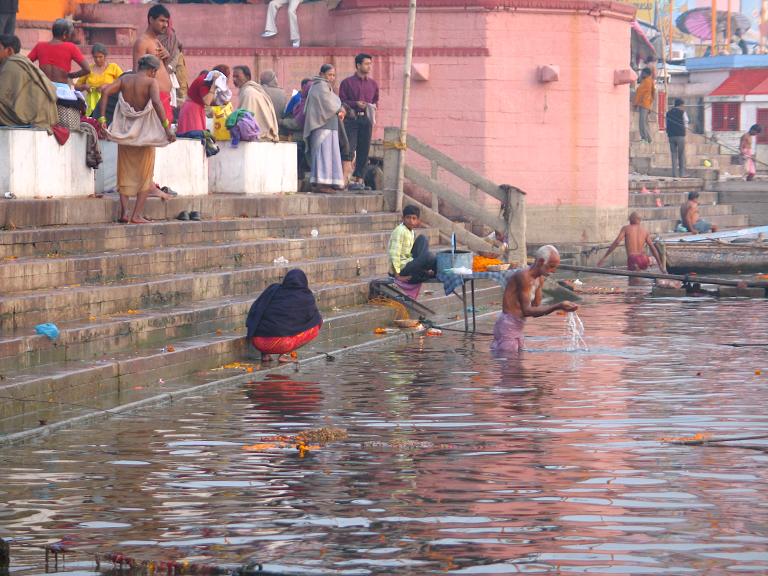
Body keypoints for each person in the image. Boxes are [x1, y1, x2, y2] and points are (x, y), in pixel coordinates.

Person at [98, 55, 175, 224]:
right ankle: (137, 215)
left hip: (125, 134)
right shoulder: (150, 82)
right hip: (145, 135)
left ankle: (125, 213)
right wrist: (167, 128)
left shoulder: (125, 79)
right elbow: (156, 102)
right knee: (145, 175)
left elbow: (104, 91)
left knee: (124, 172)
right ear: (152, 70)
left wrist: (102, 120)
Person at [491, 245, 578, 354]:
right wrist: (558, 305)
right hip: (508, 325)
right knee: (510, 364)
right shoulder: (523, 277)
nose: (554, 271)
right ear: (541, 262)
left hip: (518, 327)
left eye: (555, 267)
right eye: (551, 266)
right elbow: (527, 311)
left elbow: (536, 309)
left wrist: (561, 306)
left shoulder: (539, 278)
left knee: (516, 364)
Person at [246, 269, 323, 363]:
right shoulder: (305, 296)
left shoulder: (273, 289)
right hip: (280, 343)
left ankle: (265, 354)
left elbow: (255, 311)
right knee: (318, 322)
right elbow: (313, 318)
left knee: (275, 323)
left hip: (257, 341)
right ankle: (284, 355)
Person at [0, 34, 58, 131]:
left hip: (32, 118)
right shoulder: (22, 61)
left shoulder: (11, 64)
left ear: (9, 50)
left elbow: (2, 96)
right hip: (43, 117)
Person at [304, 63, 346, 192]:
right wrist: (340, 107)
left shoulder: (326, 87)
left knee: (331, 154)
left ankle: (332, 181)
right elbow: (330, 104)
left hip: (330, 126)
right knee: (323, 154)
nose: (332, 77)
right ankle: (322, 184)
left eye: (333, 75)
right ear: (322, 74)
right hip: (322, 126)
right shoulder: (320, 86)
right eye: (329, 74)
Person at [339, 53, 379, 187]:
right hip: (351, 119)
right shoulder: (347, 83)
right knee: (349, 148)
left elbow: (375, 101)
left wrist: (370, 107)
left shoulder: (373, 84)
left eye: (370, 64)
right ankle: (346, 177)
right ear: (358, 65)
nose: (369, 67)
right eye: (366, 64)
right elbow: (342, 101)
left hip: (366, 119)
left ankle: (359, 178)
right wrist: (356, 103)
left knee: (364, 149)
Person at [133, 4, 174, 122]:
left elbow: (160, 70)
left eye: (167, 21)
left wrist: (166, 58)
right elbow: (137, 73)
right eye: (162, 21)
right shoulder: (142, 42)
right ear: (151, 19)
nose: (165, 25)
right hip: (154, 100)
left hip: (164, 98)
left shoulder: (156, 41)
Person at [597, 212, 667, 273]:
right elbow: (653, 248)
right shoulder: (645, 231)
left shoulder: (626, 228)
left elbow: (617, 242)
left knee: (632, 281)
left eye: (630, 218)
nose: (629, 220)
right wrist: (660, 265)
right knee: (640, 280)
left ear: (634, 219)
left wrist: (604, 257)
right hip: (643, 259)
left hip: (633, 258)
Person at [388, 204, 437, 284]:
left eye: (414, 218)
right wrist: (398, 276)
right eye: (408, 217)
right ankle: (424, 272)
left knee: (423, 239)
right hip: (400, 270)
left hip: (408, 262)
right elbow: (394, 254)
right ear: (403, 218)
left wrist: (417, 259)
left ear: (418, 221)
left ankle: (424, 271)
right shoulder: (400, 231)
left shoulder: (411, 232)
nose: (411, 221)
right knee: (429, 256)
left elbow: (406, 254)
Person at [232, 65, 279, 142]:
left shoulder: (248, 93)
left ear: (247, 77)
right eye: (233, 77)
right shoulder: (251, 90)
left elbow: (245, 121)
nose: (234, 79)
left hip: (259, 138)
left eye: (237, 76)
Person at [76, 44, 123, 116]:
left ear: (105, 56)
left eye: (100, 57)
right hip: (92, 104)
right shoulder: (88, 69)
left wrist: (108, 86)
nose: (98, 59)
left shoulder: (113, 67)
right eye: (95, 57)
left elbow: (123, 82)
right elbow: (76, 86)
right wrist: (85, 87)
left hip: (109, 103)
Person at [176, 69, 214, 135]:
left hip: (195, 109)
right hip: (193, 110)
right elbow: (207, 102)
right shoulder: (202, 82)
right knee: (194, 135)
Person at [665, 98, 688, 178]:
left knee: (673, 155)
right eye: (683, 105)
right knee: (681, 155)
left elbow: (666, 124)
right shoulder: (682, 112)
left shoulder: (668, 113)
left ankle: (675, 174)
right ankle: (682, 174)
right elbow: (686, 121)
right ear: (681, 105)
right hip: (680, 135)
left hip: (671, 136)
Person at [633, 68, 655, 143]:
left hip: (644, 104)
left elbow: (640, 93)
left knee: (642, 122)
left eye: (642, 73)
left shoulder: (646, 81)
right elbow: (653, 94)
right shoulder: (649, 81)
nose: (641, 74)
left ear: (645, 73)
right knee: (644, 123)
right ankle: (649, 139)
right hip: (646, 104)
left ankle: (644, 138)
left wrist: (635, 104)